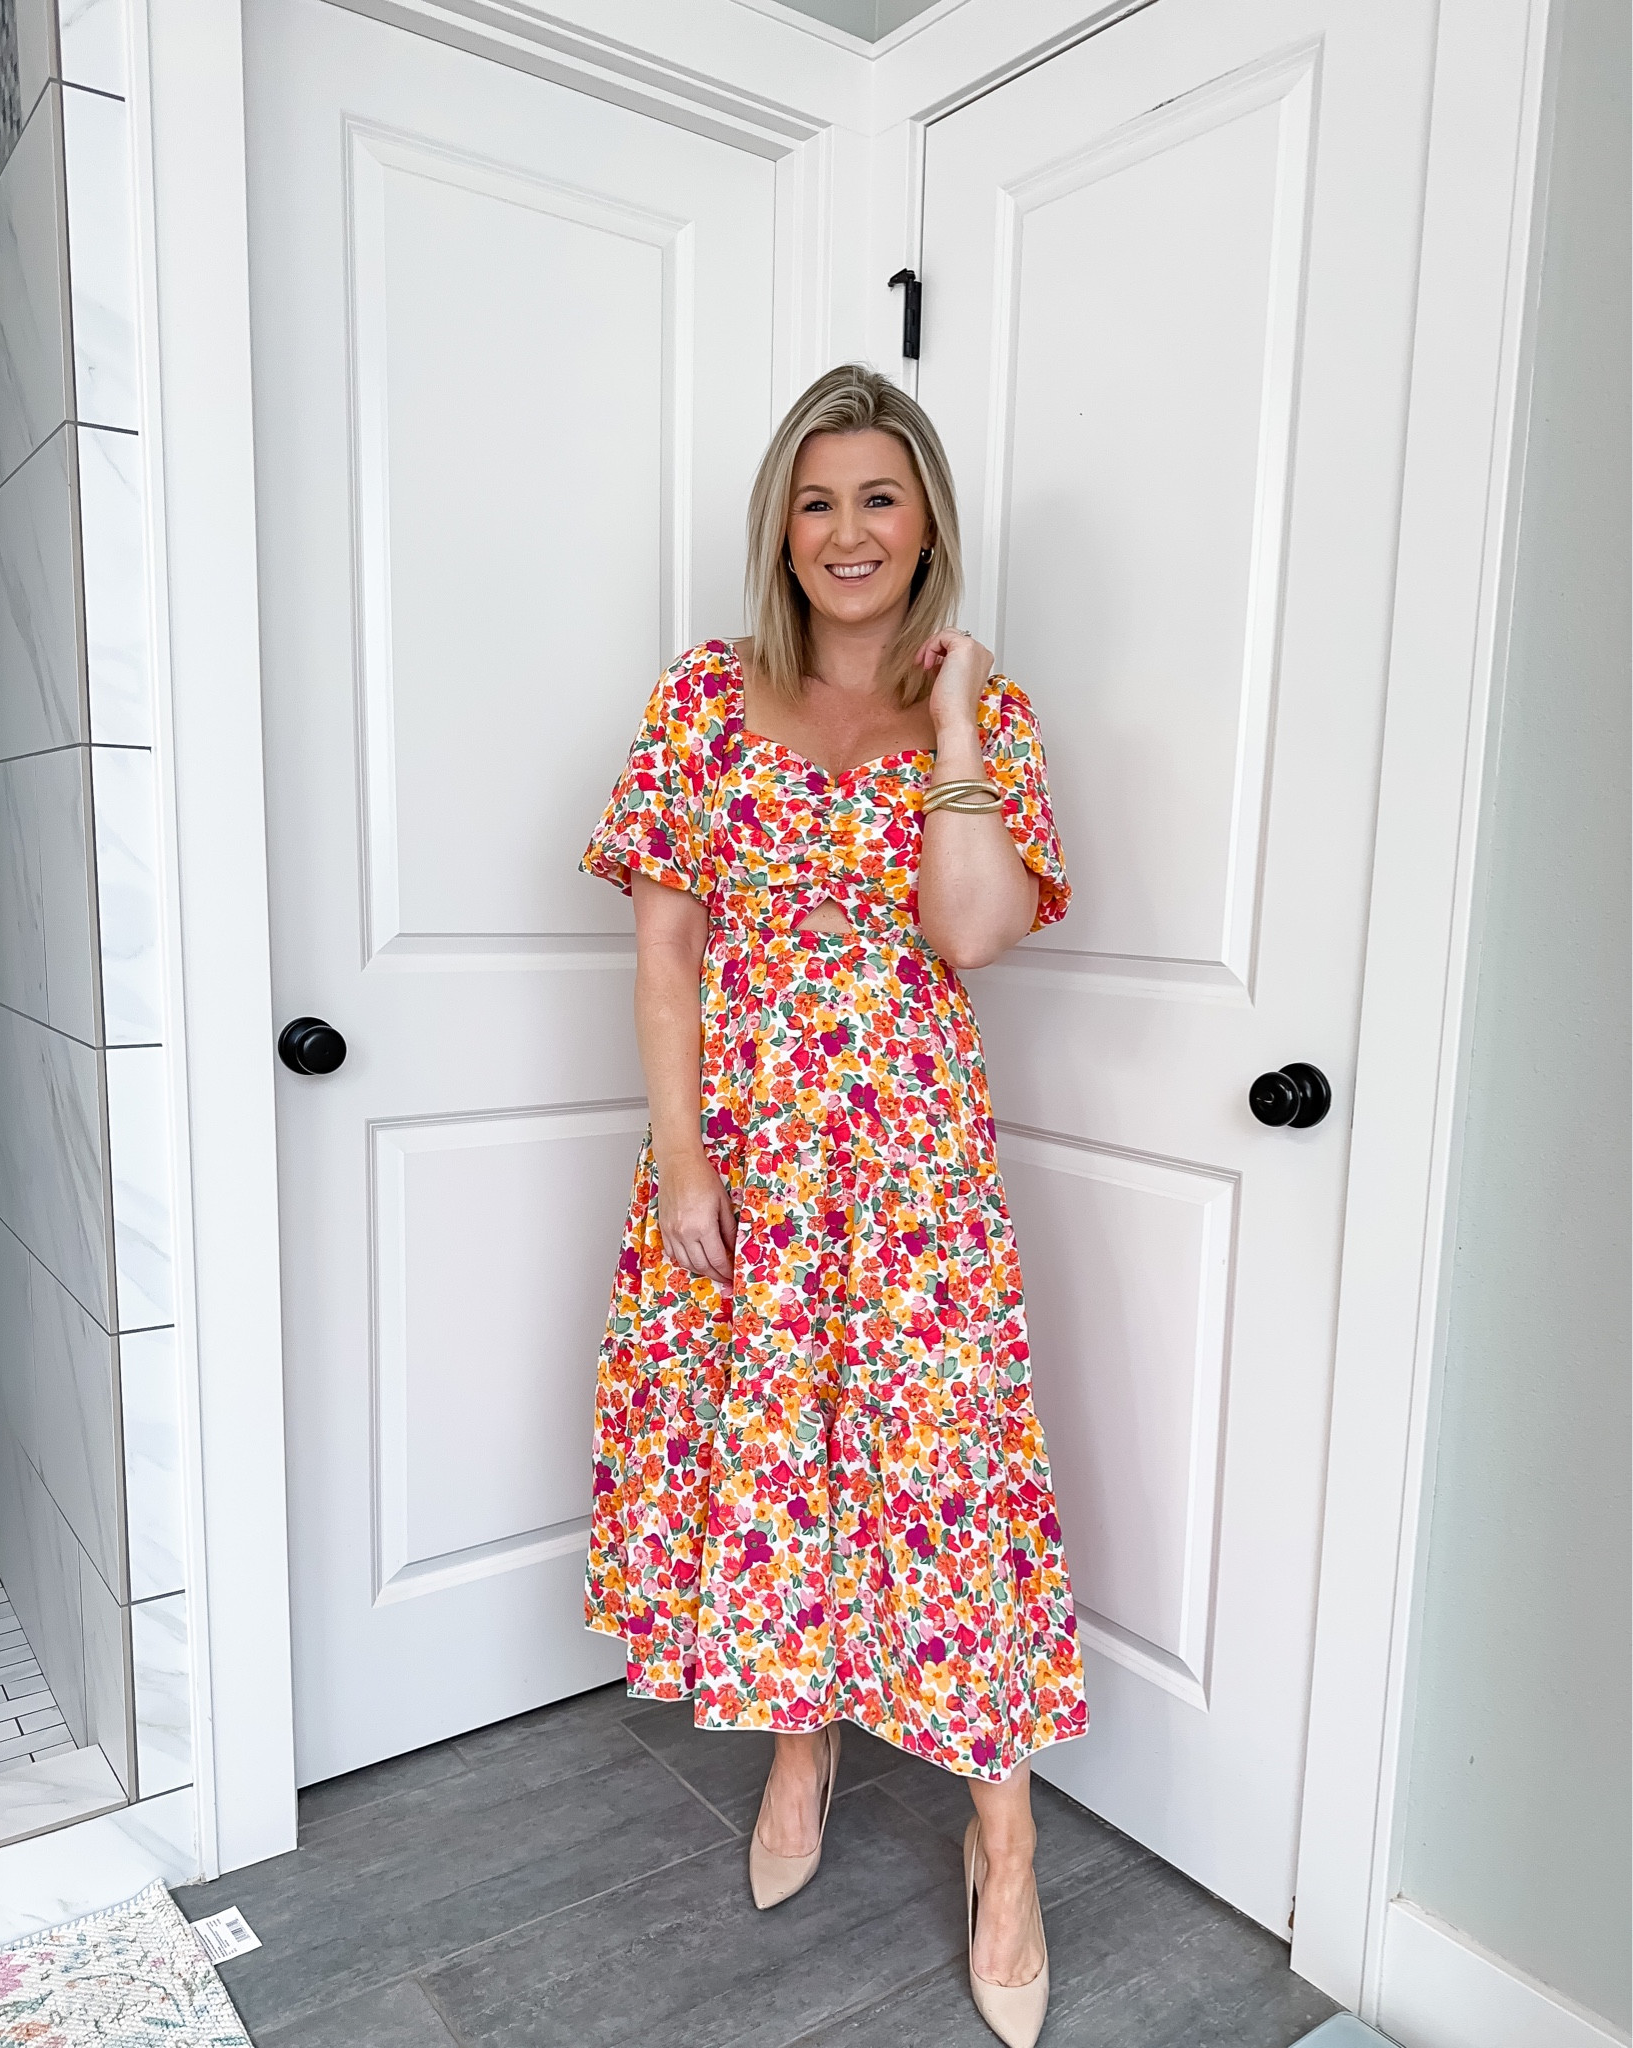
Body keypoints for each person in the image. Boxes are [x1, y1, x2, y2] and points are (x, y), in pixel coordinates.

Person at [580, 363, 1087, 2048]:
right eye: (816, 500)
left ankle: (999, 1843)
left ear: (926, 515)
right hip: (748, 1156)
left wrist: (947, 731)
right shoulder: (703, 701)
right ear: (778, 530)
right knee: (777, 1451)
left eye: (878, 496)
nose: (846, 531)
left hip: (915, 1164)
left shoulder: (985, 719)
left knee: (947, 1480)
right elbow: (667, 942)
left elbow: (974, 933)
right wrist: (682, 1155)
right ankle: (800, 1746)